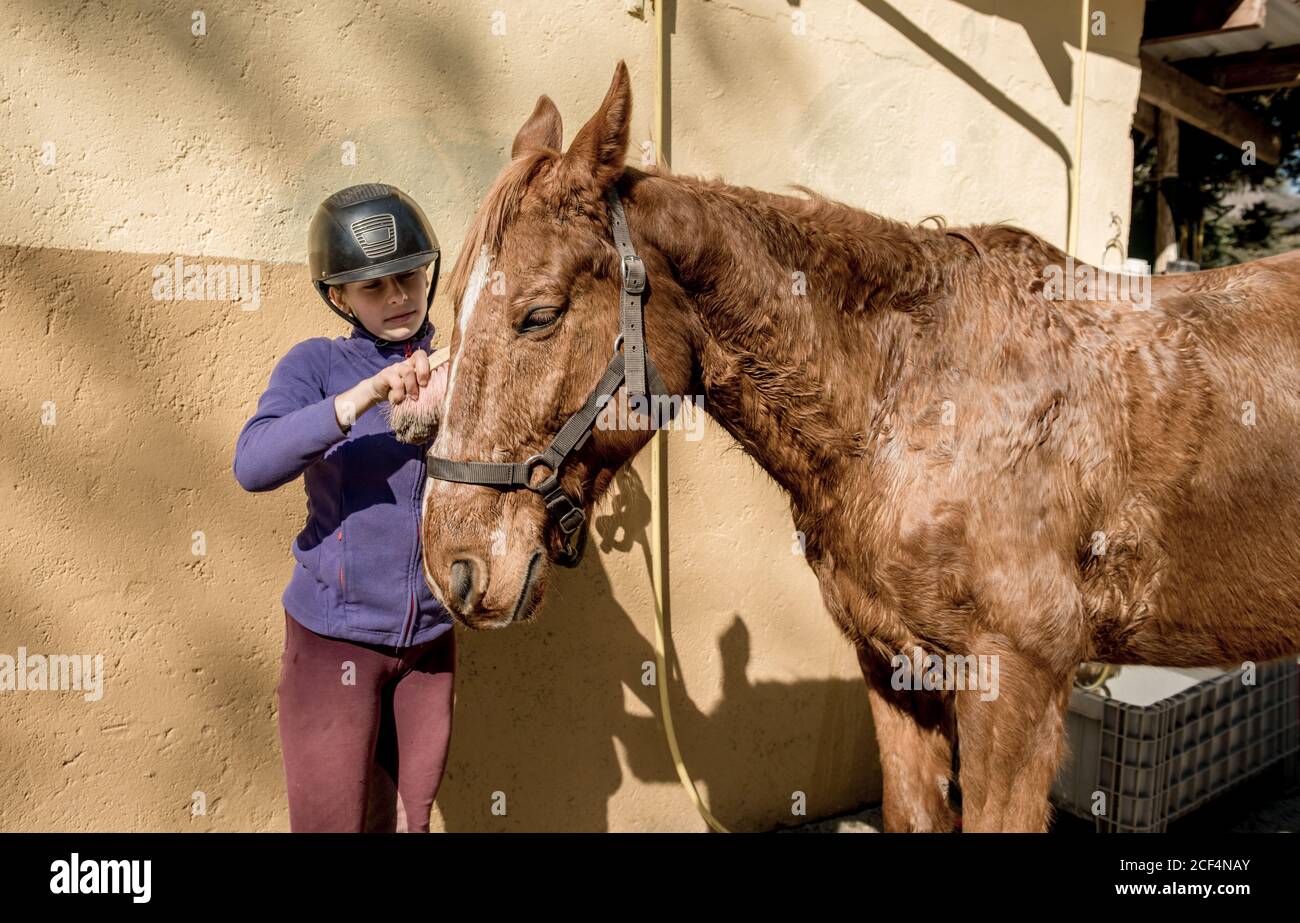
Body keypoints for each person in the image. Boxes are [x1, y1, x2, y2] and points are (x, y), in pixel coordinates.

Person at [233, 183, 454, 832]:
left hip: (430, 647)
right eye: (373, 286)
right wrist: (365, 396)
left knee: (408, 825)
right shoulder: (317, 364)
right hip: (333, 644)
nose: (398, 298)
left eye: (408, 277)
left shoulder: (457, 361)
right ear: (338, 297)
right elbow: (253, 463)